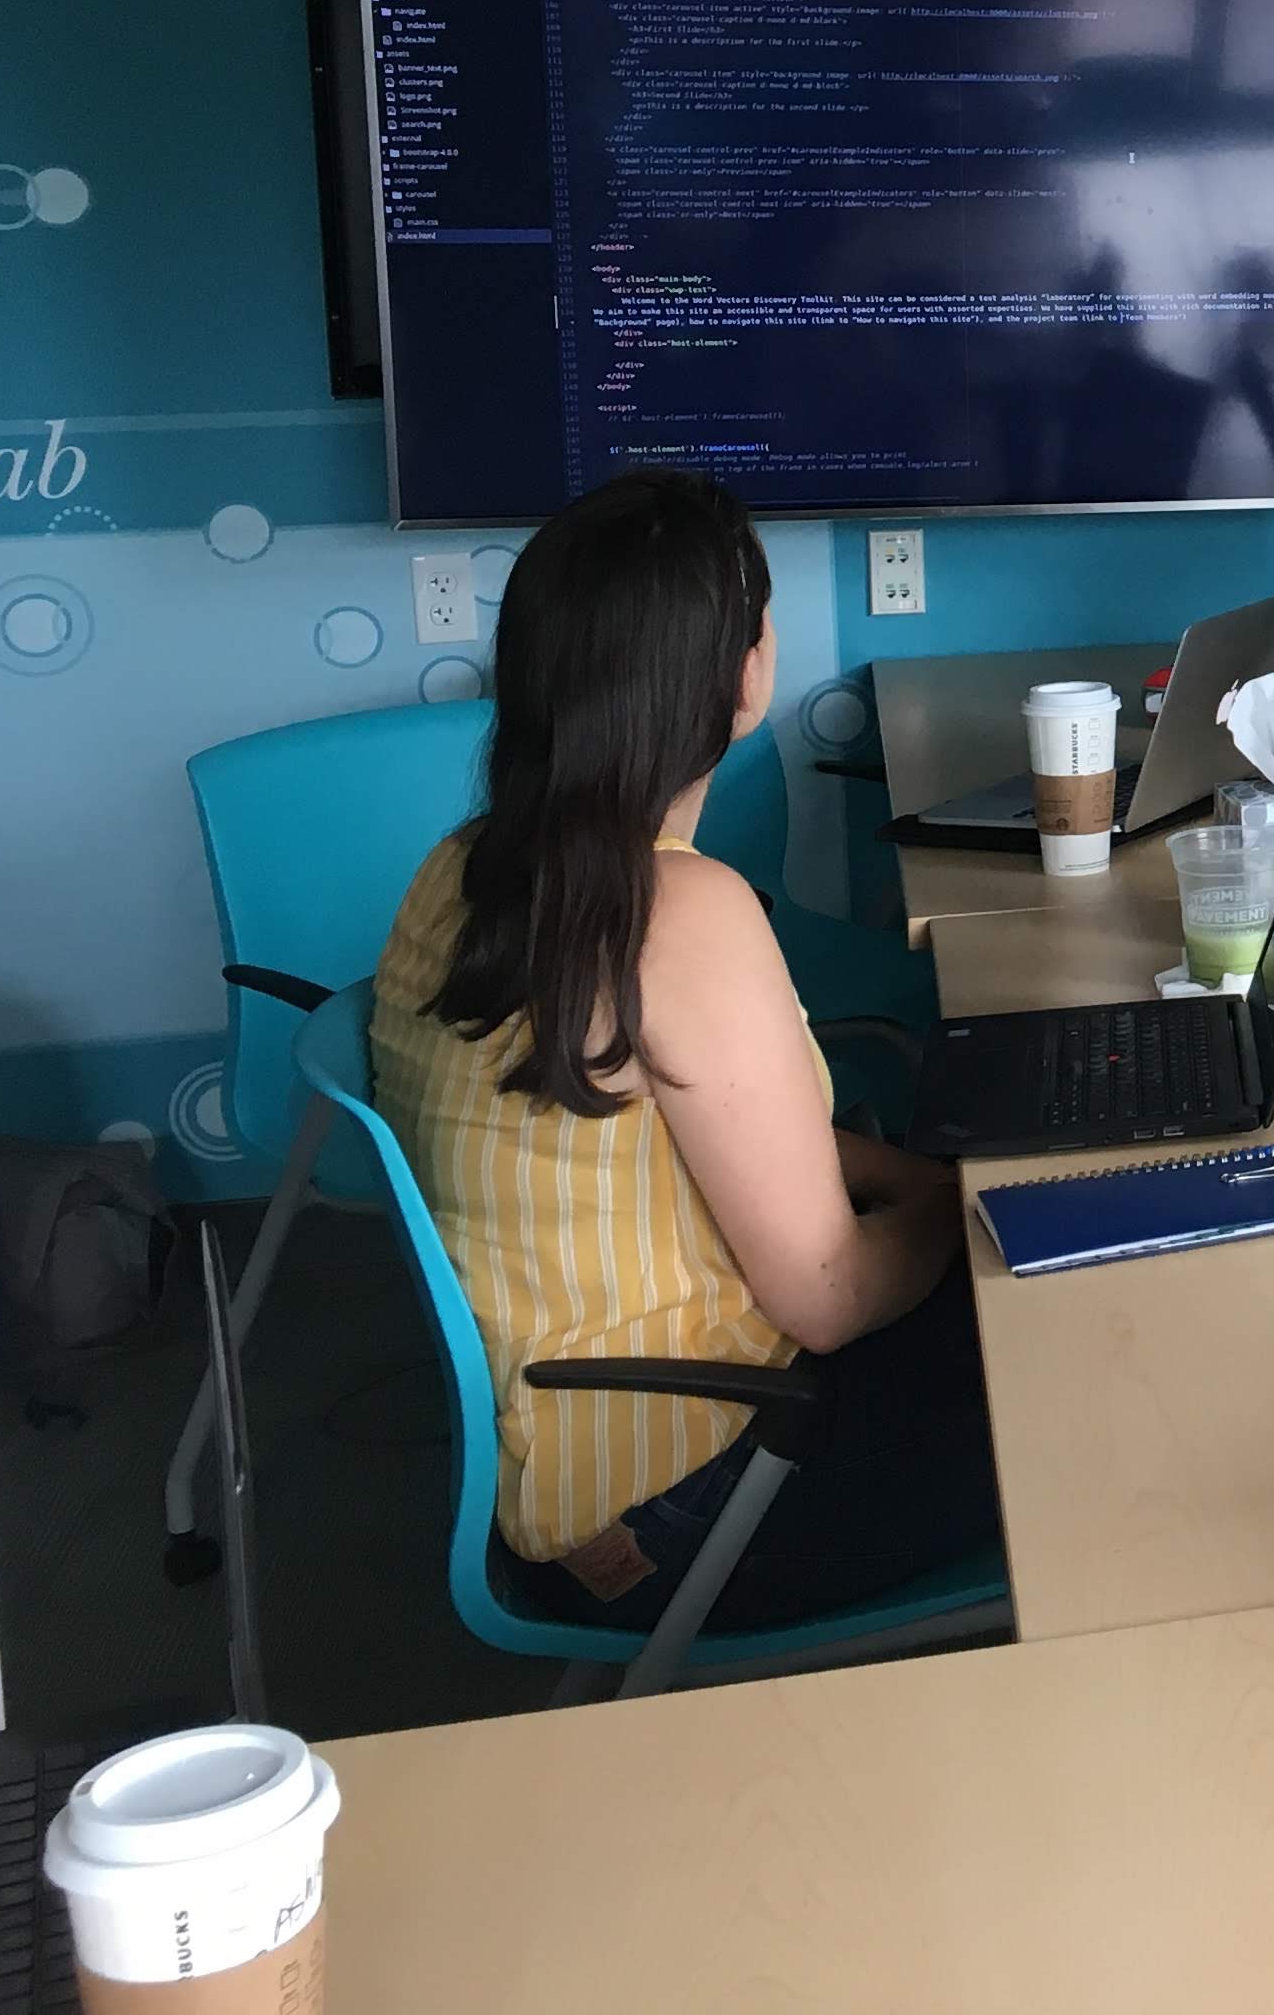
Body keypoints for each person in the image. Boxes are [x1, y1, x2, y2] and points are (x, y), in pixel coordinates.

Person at [368, 468, 1000, 1632]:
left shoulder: (464, 865)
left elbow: (668, 1142)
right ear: (746, 676)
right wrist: (980, 1211)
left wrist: (919, 1182)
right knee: (1119, 1340)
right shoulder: (682, 912)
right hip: (697, 1508)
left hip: (571, 1464)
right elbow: (828, 1298)